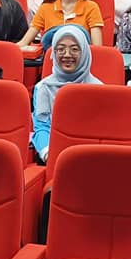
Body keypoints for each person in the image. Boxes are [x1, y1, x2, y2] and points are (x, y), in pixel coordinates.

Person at [30, 25, 102, 163]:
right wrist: (48, 154)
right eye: (61, 49)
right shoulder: (43, 88)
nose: (67, 54)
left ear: (85, 53)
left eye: (74, 49)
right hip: (54, 157)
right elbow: (42, 128)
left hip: (92, 157)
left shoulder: (99, 89)